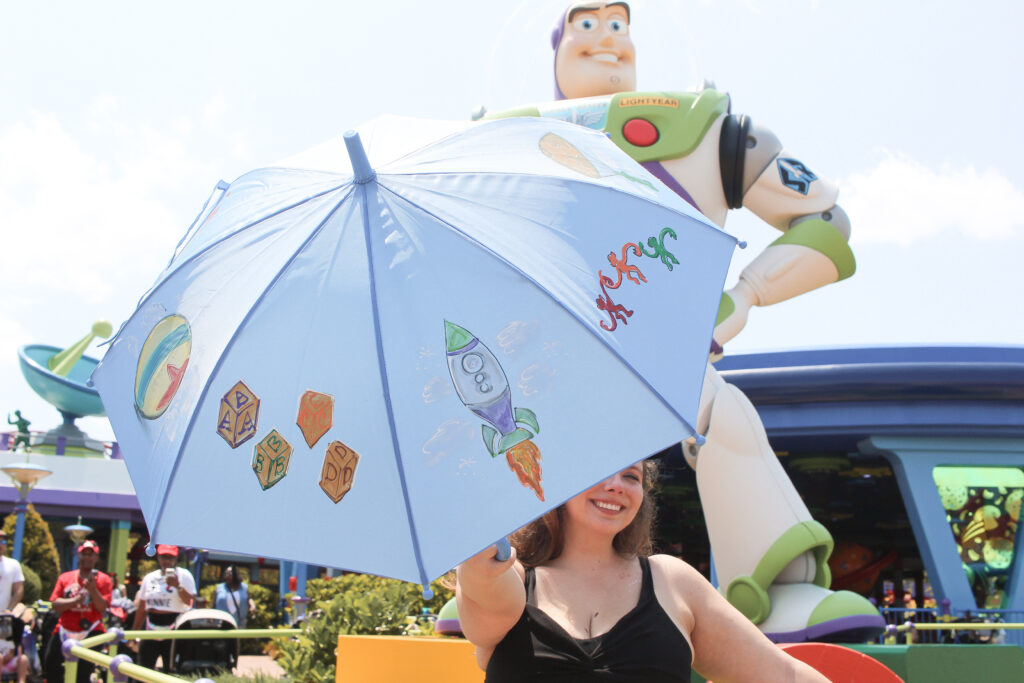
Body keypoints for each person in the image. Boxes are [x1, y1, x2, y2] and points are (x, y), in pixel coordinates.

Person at [481, 0, 882, 642]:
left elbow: (825, 220)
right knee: (502, 429)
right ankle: (489, 577)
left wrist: (744, 294)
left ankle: (772, 589)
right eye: (585, 25)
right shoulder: (489, 144)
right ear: (556, 44)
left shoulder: (705, 131)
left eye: (619, 26)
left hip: (660, 344)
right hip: (544, 350)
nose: (608, 39)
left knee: (723, 419)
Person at [457, 461, 829, 681]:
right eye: (600, 469)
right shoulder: (511, 579)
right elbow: (485, 596)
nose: (616, 485)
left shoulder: (673, 581)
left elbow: (785, 676)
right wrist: (477, 562)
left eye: (632, 477)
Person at [43, 540, 112, 683]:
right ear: (78, 555)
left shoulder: (104, 580)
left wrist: (93, 589)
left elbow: (103, 608)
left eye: (91, 555)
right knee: (51, 666)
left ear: (96, 558)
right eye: (84, 554)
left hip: (91, 630)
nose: (87, 557)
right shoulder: (66, 577)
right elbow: (55, 604)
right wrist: (75, 601)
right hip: (64, 630)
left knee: (83, 673)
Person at [132, 545, 196, 672]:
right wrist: (134, 631)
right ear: (158, 557)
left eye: (170, 557)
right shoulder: (150, 578)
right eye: (163, 557)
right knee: (144, 668)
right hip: (152, 625)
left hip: (175, 624)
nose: (167, 561)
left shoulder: (184, 575)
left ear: (176, 558)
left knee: (172, 669)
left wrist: (177, 586)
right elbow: (142, 607)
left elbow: (189, 602)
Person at [0, 532, 24, 613]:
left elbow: (18, 589)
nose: (1, 545)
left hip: (3, 618)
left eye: (3, 542)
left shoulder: (13, 564)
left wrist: (10, 609)